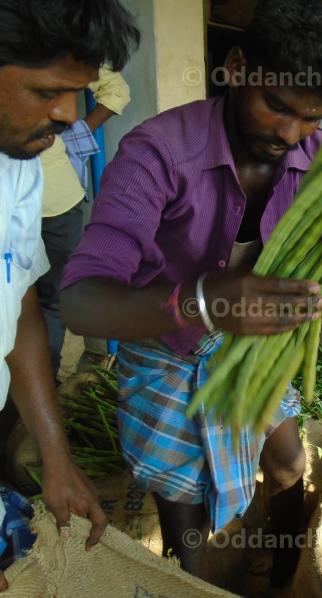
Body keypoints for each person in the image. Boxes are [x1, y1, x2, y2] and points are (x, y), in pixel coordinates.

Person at [60, 0, 322, 586]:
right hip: (165, 343)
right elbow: (82, 300)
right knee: (184, 494)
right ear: (236, 68)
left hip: (262, 351)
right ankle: (197, 576)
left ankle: (285, 574)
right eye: (275, 106)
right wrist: (203, 301)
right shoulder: (158, 152)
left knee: (286, 463)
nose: (289, 133)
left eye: (311, 117)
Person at [0, 0, 138, 589]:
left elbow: (20, 297)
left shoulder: (21, 165)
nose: (67, 115)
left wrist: (55, 456)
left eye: (77, 92)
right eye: (46, 92)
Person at [37, 66, 131, 381]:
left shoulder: (57, 40)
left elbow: (115, 89)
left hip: (58, 202)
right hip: (54, 201)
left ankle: (48, 381)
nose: (66, 112)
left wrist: (79, 132)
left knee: (49, 299)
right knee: (42, 300)